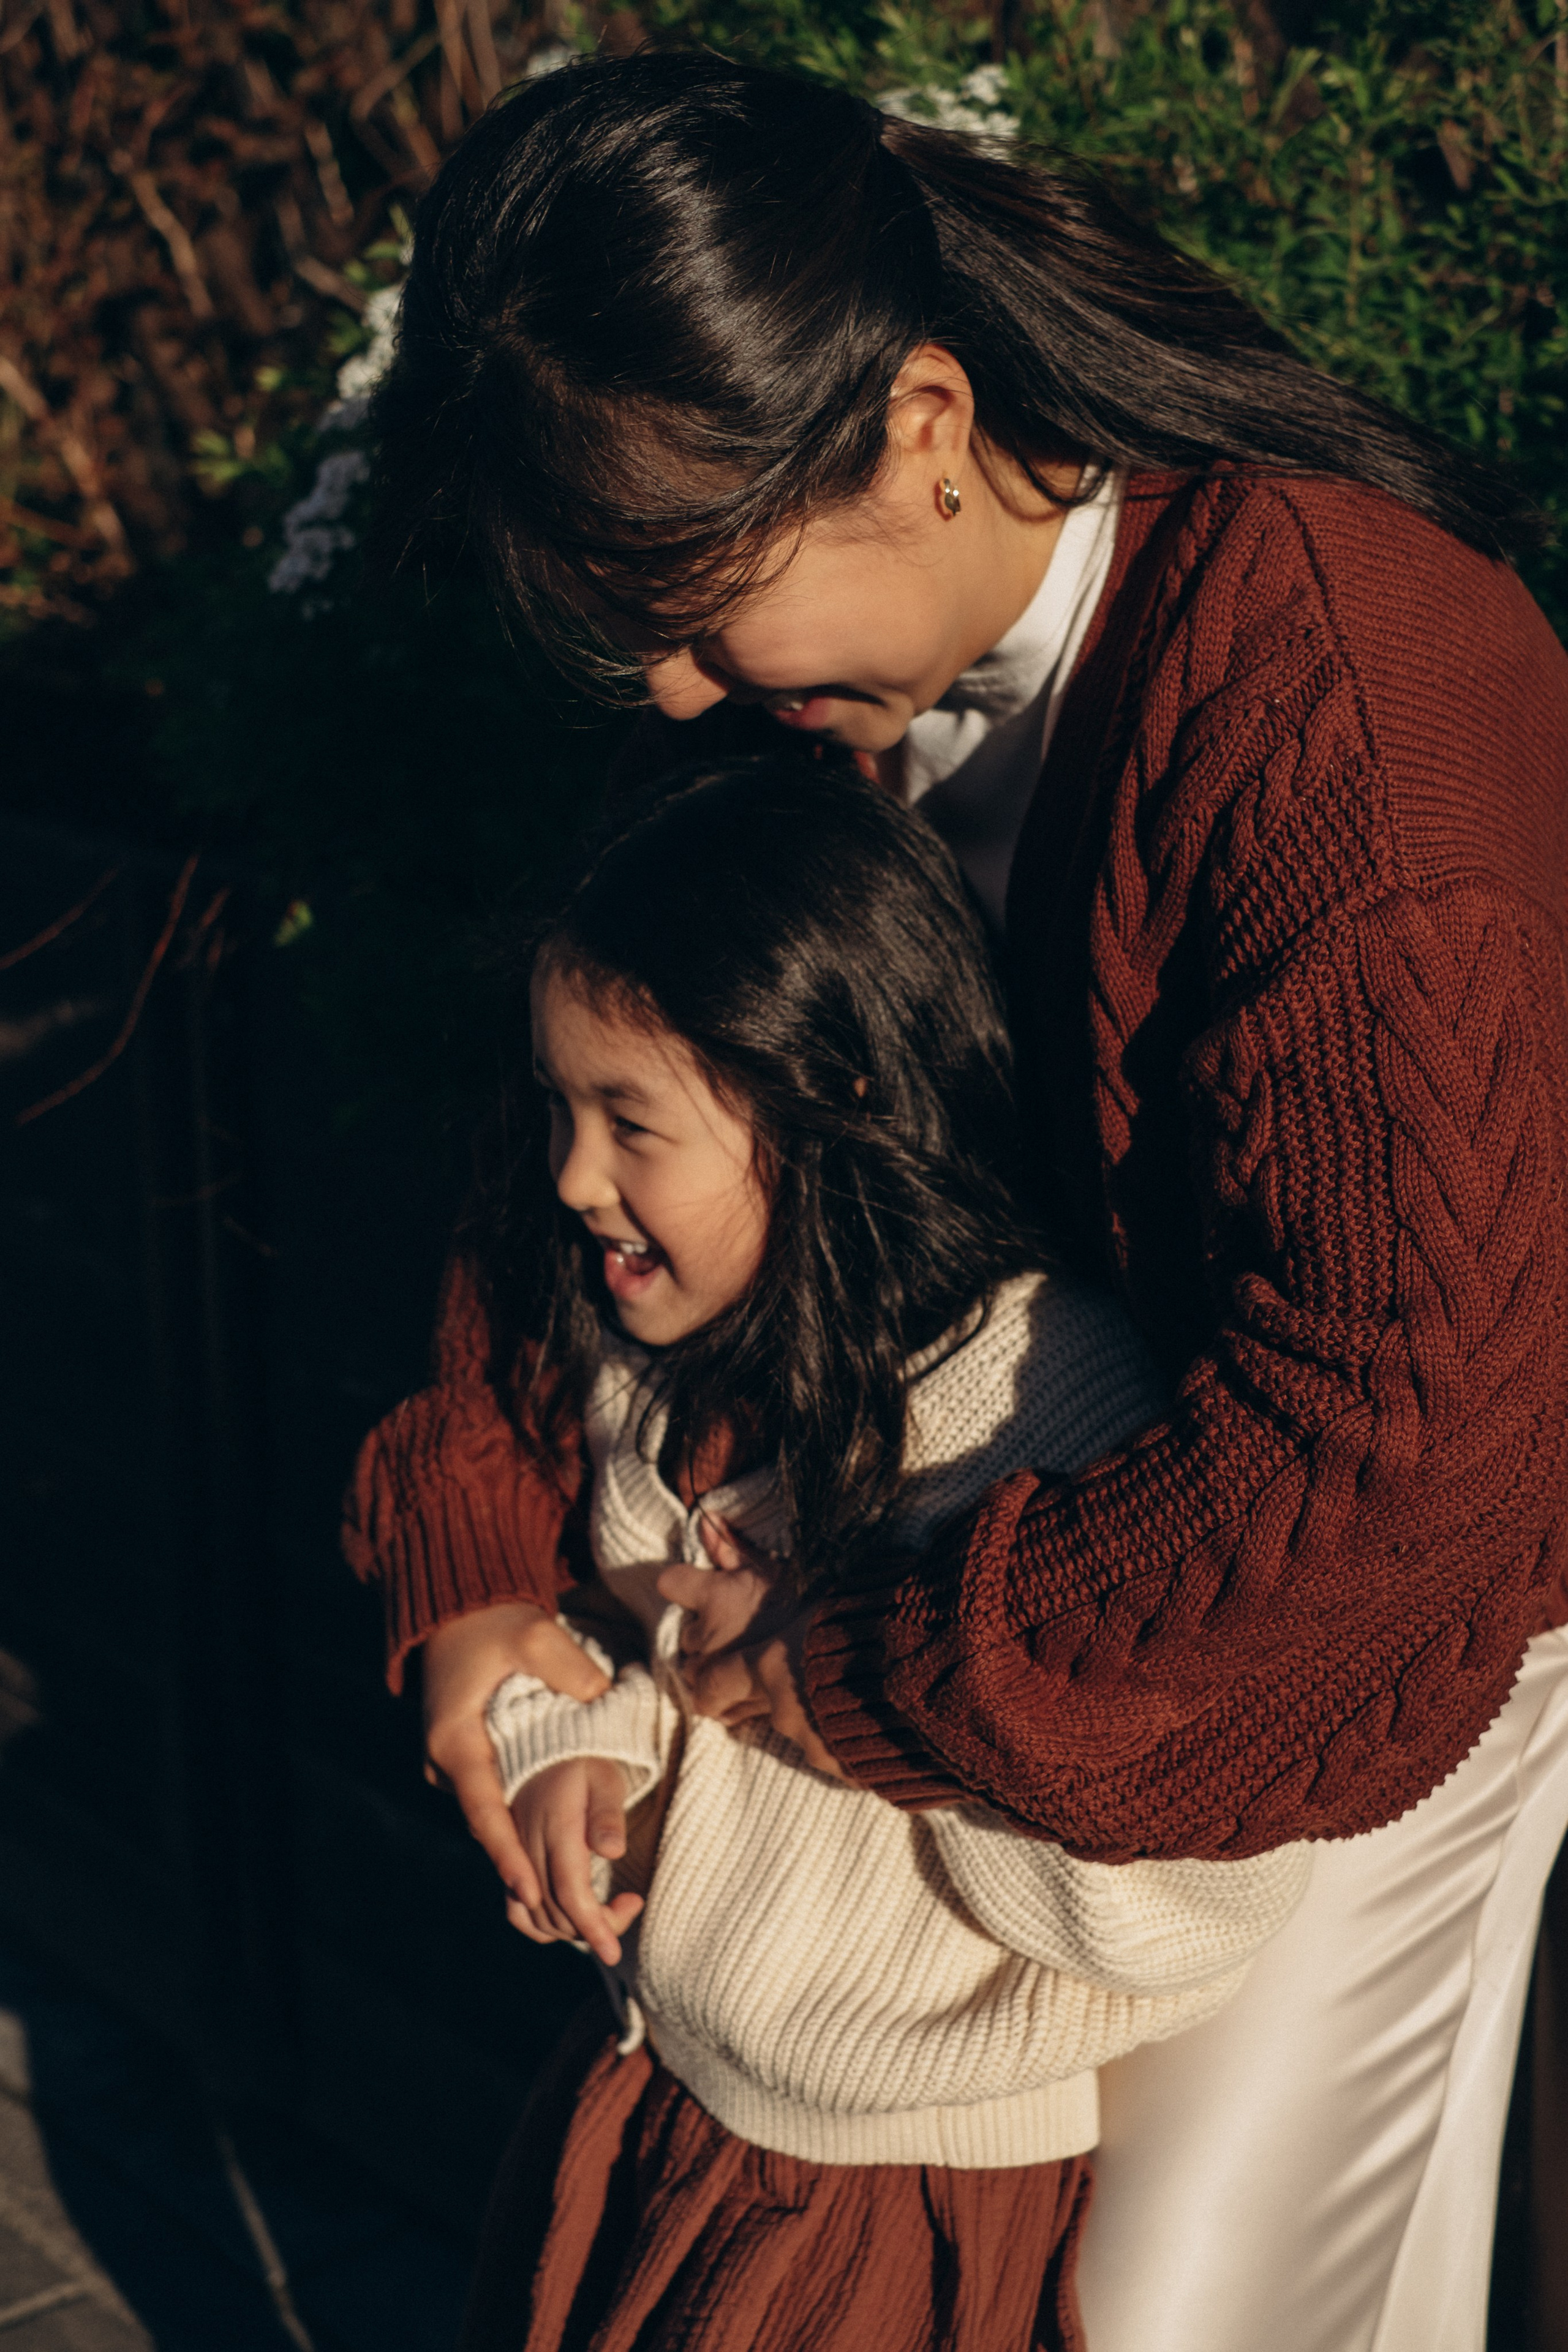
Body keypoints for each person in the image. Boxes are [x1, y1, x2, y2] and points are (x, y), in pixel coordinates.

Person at [345, 51, 1568, 2351]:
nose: (677, 690)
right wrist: (480, 1569)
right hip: (942, 1613)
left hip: (1353, 1646)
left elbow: (1409, 1448)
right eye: (630, 640)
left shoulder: (1349, 718)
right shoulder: (780, 708)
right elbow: (586, 1135)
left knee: (1177, 2314)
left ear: (919, 418)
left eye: (702, 611)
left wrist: (855, 1668)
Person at [456, 759, 1305, 2351]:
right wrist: (585, 1757)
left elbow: (1190, 1876)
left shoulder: (1050, 1414)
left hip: (886, 2186)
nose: (574, 1179)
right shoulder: (672, 1353)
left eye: (628, 1120)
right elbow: (626, 1621)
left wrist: (882, 1703)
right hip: (663, 2086)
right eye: (565, 1111)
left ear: (832, 1097)